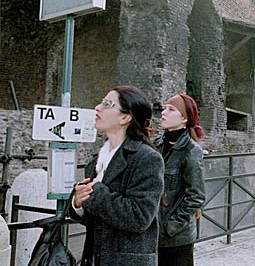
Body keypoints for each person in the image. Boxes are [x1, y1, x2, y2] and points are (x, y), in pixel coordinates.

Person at [70, 85, 164, 266]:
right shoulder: (97, 159)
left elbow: (140, 217)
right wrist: (77, 203)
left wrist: (95, 193)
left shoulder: (147, 158)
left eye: (107, 104)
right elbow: (97, 218)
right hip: (95, 258)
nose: (98, 107)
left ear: (125, 117)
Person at [156, 93, 206, 266]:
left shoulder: (192, 150)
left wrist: (170, 227)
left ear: (184, 119)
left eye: (171, 109)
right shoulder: (157, 146)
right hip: (153, 234)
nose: (163, 112)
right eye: (164, 108)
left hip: (176, 239)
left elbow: (196, 197)